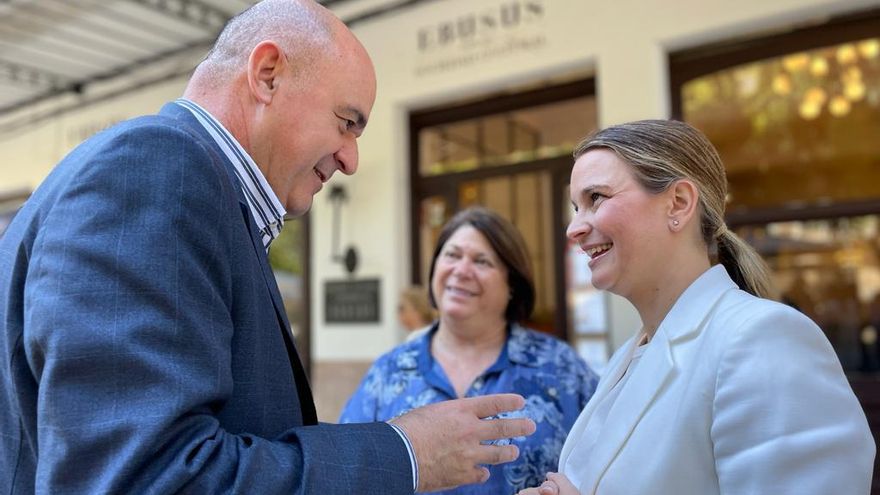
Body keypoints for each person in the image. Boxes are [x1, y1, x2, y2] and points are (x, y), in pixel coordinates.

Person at [0, 1, 536, 493]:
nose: (351, 159)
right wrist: (405, 453)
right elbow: (149, 477)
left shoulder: (187, 184)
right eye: (347, 123)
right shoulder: (157, 169)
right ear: (268, 74)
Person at [519, 119, 875, 495]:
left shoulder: (763, 340)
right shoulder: (628, 357)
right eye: (576, 207)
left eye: (596, 199)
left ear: (679, 203)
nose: (573, 228)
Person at [341, 207, 599, 494]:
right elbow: (349, 472)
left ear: (512, 284)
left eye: (481, 261)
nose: (461, 271)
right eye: (451, 255)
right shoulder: (389, 372)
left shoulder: (561, 369)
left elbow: (607, 468)